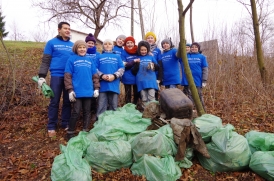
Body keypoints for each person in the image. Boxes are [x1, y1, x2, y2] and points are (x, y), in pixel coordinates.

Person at [37, 22, 74, 138]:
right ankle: (51, 126)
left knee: (68, 101)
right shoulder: (51, 43)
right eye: (65, 28)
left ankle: (65, 123)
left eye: (69, 28)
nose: (68, 30)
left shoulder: (72, 45)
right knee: (54, 101)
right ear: (59, 30)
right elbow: (46, 60)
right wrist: (42, 76)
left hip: (69, 77)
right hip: (56, 76)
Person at [64, 40, 100, 141]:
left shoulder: (89, 60)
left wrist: (96, 88)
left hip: (88, 91)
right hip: (77, 92)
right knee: (76, 111)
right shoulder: (71, 59)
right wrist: (70, 90)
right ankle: (70, 132)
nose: (82, 49)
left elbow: (95, 76)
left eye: (84, 47)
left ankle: (85, 130)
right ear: (76, 49)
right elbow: (67, 76)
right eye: (80, 47)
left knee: (87, 111)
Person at [96, 39, 125, 117]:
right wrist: (102, 75)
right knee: (101, 105)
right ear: (103, 46)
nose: (108, 45)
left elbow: (122, 68)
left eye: (109, 44)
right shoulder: (99, 56)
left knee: (113, 106)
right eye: (105, 44)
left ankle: (112, 124)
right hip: (102, 85)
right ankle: (100, 123)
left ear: (113, 46)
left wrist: (114, 76)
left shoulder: (117, 56)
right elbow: (95, 69)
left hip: (114, 85)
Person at [180, 42, 208, 111]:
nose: (194, 48)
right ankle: (191, 111)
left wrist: (204, 80)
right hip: (187, 80)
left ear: (198, 48)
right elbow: (179, 58)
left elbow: (205, 69)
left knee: (198, 96)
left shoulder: (202, 57)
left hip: (197, 80)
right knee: (189, 96)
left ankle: (202, 111)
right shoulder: (186, 56)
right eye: (192, 47)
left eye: (195, 47)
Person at [131, 41, 159, 108]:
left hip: (151, 81)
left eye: (145, 50)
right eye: (141, 50)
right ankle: (145, 112)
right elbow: (134, 71)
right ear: (139, 50)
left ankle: (153, 112)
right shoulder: (137, 58)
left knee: (151, 97)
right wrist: (137, 64)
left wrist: (153, 65)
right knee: (144, 98)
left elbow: (158, 67)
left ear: (147, 50)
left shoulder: (151, 57)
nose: (143, 51)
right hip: (141, 81)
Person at [85, 33, 100, 122]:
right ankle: (85, 112)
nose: (90, 44)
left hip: (95, 76)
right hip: (85, 76)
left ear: (94, 44)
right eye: (88, 42)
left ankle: (93, 112)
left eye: (92, 43)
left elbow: (99, 64)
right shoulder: (83, 52)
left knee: (94, 95)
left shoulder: (97, 54)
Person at [121, 36, 139, 104]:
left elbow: (144, 54)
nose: (130, 44)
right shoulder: (123, 52)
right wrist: (133, 62)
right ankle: (128, 107)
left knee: (136, 93)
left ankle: (136, 106)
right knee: (128, 94)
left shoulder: (138, 51)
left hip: (136, 76)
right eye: (128, 43)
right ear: (125, 44)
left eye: (131, 42)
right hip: (127, 76)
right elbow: (124, 65)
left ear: (134, 43)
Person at [145, 32, 162, 100]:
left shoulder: (157, 50)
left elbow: (160, 63)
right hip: (145, 74)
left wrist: (160, 77)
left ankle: (155, 108)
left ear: (154, 40)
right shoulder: (142, 49)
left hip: (155, 74)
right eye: (148, 38)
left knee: (155, 92)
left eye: (151, 38)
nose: (150, 39)